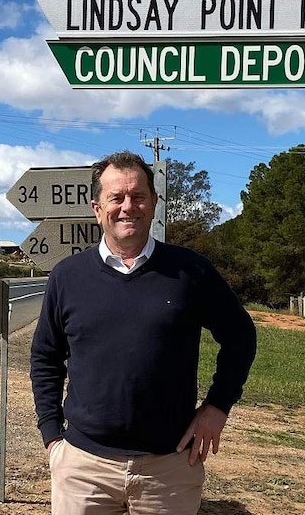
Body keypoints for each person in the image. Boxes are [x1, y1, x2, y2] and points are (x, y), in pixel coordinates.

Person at [30, 150, 257, 515]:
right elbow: (45, 358)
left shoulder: (191, 272)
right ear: (97, 208)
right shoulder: (67, 277)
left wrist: (218, 406)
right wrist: (52, 436)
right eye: (116, 198)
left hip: (169, 468)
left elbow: (241, 336)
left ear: (154, 203)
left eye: (138, 196)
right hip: (83, 467)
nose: (128, 207)